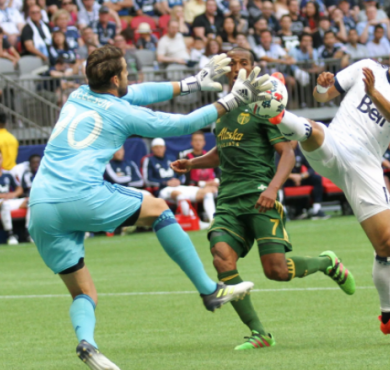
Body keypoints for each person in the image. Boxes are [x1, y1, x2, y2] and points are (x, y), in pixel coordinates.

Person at [28, 45, 270, 368]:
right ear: (115, 79)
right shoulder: (121, 113)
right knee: (158, 208)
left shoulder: (78, 95)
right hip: (80, 194)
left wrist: (191, 83)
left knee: (83, 292)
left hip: (40, 205)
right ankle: (210, 290)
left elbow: (139, 91)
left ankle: (87, 343)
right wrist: (231, 100)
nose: (130, 76)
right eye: (126, 71)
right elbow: (183, 125)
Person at [170, 49, 355, 350]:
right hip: (228, 199)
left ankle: (327, 263)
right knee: (221, 257)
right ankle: (260, 333)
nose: (237, 68)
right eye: (233, 64)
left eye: (244, 63)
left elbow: (288, 153)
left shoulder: (265, 105)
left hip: (259, 196)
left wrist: (271, 189)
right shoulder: (222, 109)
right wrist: (193, 163)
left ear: (255, 70)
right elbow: (222, 151)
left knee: (277, 272)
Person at [271, 27, 390, 337]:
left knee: (386, 244)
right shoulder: (366, 67)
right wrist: (322, 86)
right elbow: (324, 95)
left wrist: (373, 93)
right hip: (334, 143)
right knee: (315, 129)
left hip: (366, 165)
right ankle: (274, 112)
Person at [144, 138, 218, 225]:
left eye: (161, 147)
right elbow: (147, 180)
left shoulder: (171, 158)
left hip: (178, 186)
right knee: (179, 194)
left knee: (207, 192)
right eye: (156, 147)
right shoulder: (149, 160)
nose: (159, 149)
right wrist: (165, 183)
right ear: (152, 149)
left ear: (164, 148)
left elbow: (182, 175)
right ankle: (194, 222)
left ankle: (213, 221)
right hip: (162, 190)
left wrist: (178, 181)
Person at [284, 141, 329, 219]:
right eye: (288, 139)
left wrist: (301, 176)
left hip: (299, 178)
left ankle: (316, 209)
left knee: (317, 179)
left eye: (292, 139)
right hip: (286, 179)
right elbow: (277, 170)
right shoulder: (280, 150)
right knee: (277, 183)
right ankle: (283, 211)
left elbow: (311, 168)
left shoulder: (301, 151)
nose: (290, 141)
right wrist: (293, 176)